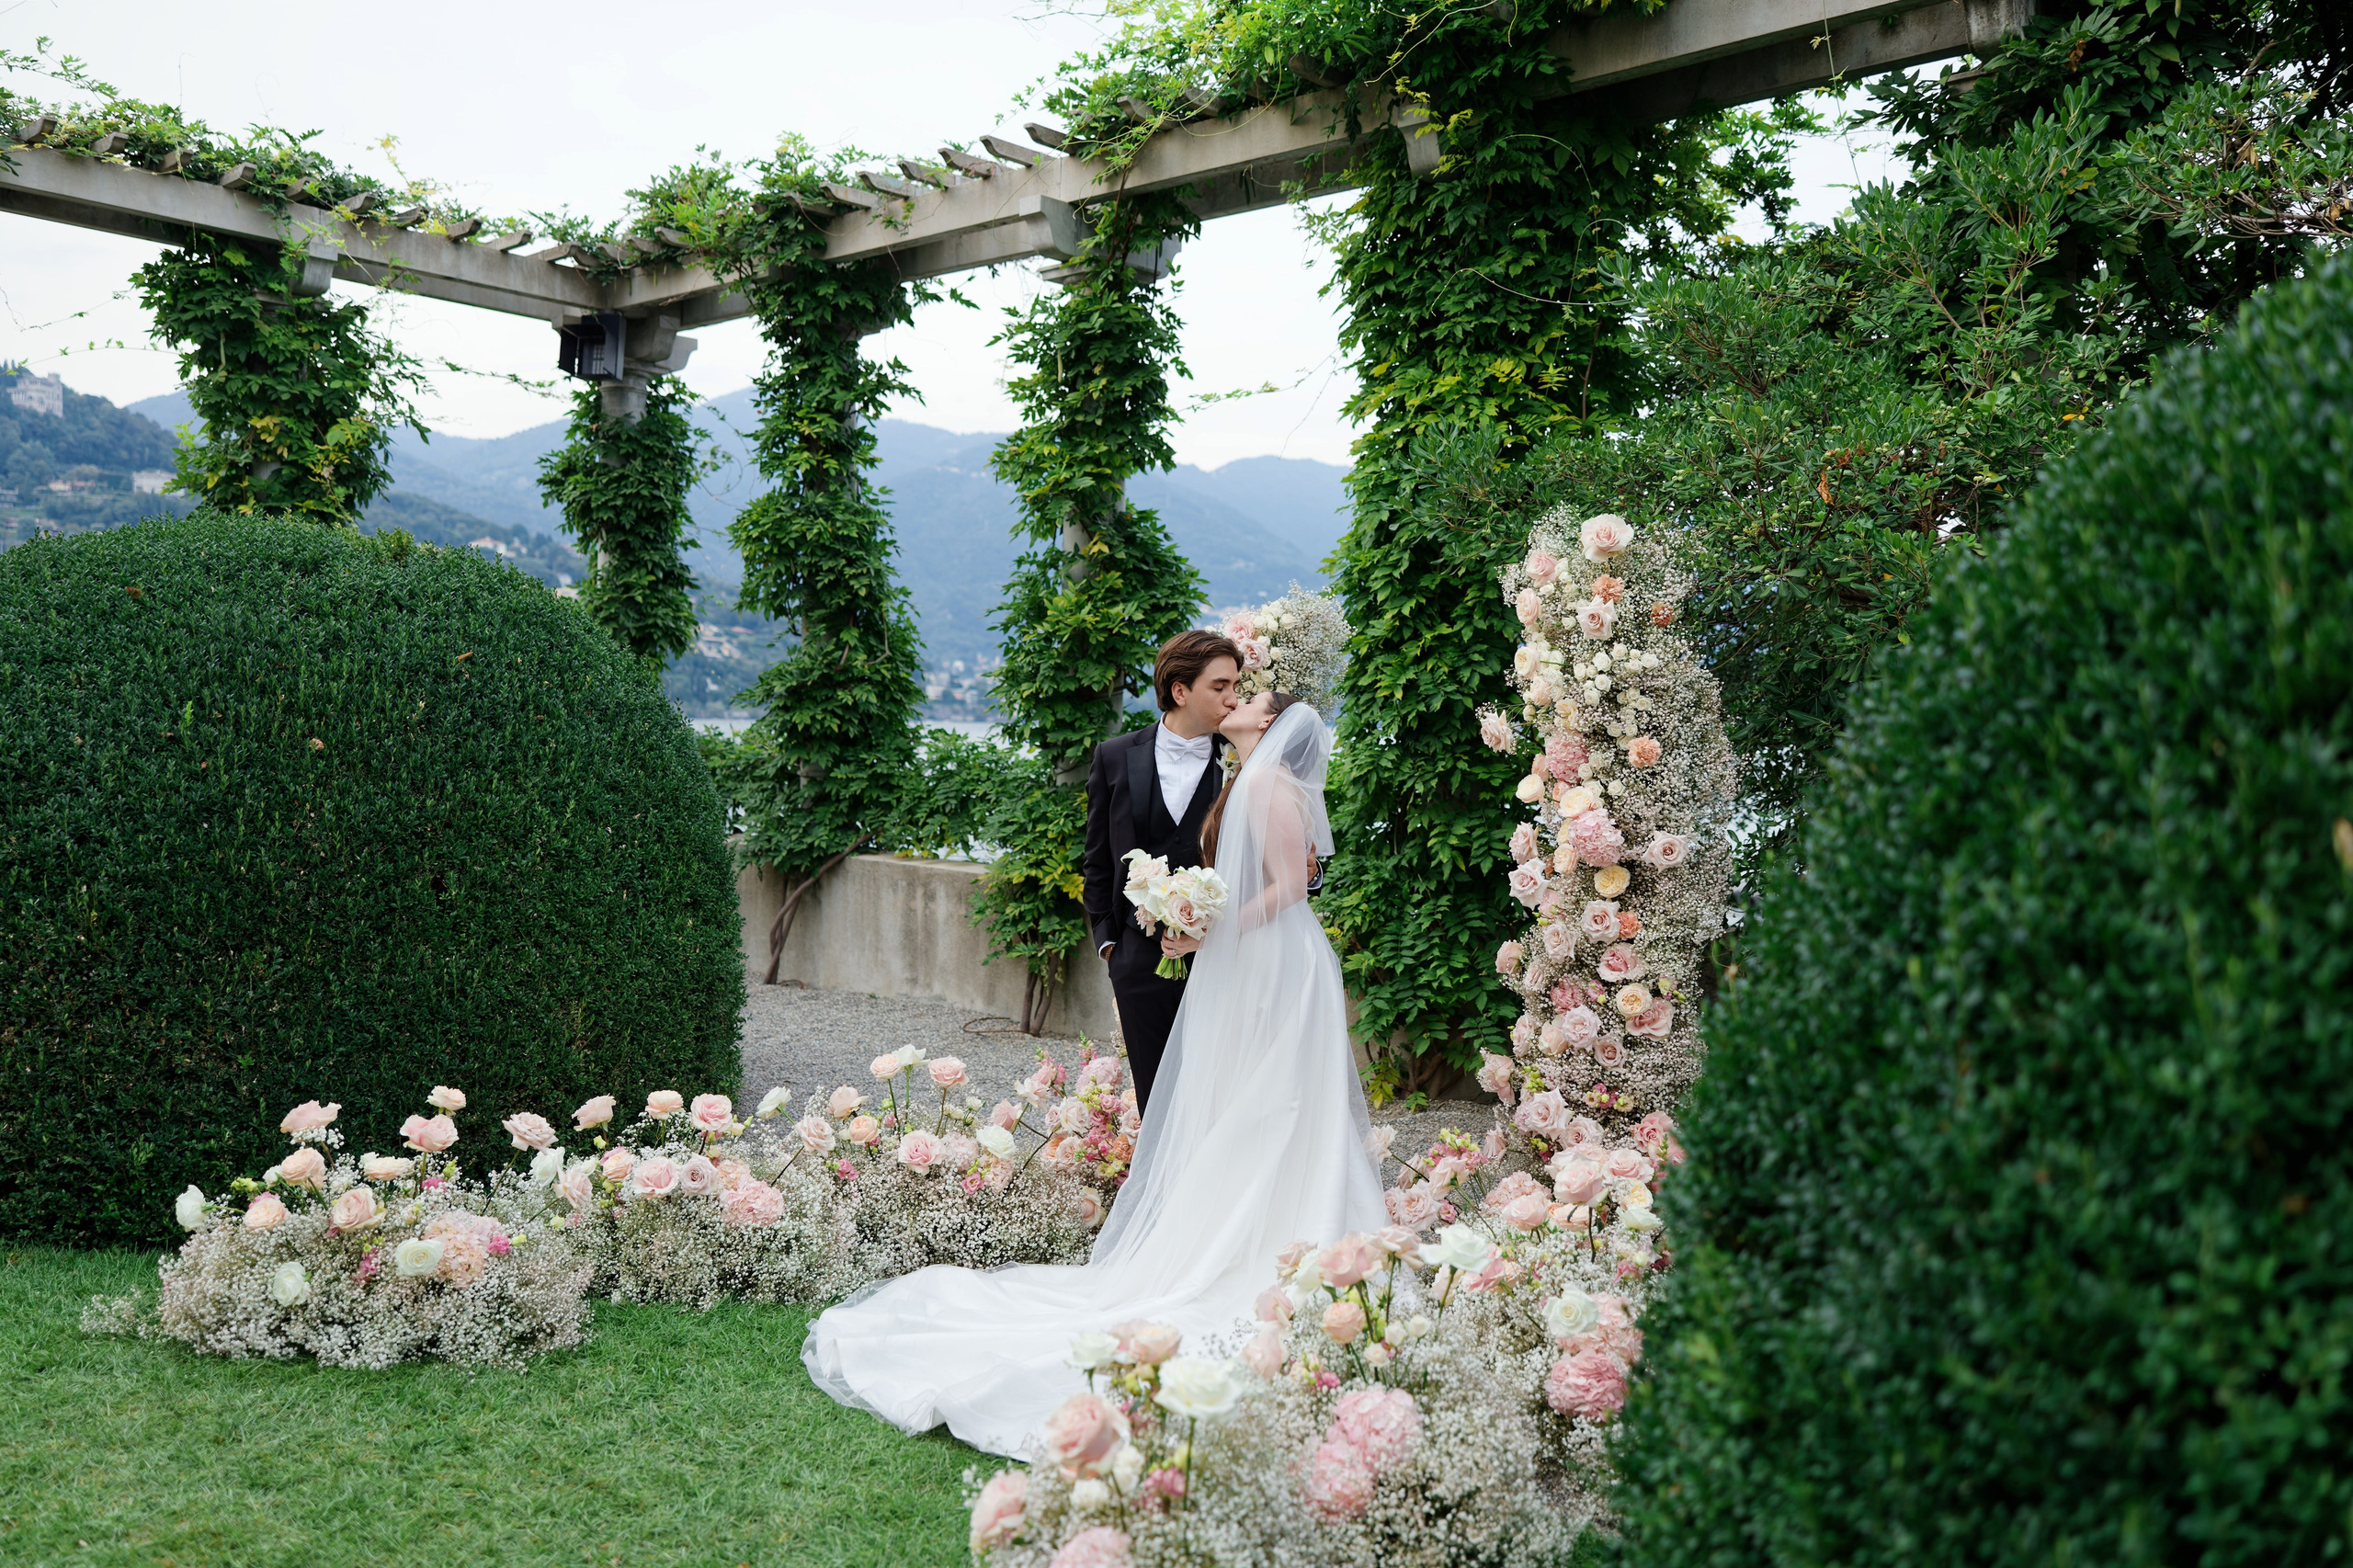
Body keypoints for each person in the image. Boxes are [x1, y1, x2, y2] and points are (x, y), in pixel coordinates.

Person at [802, 694, 1386, 1458]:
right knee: (1248, 1099)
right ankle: (1248, 1228)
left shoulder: (1270, 786)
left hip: (1279, 964)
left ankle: (1286, 1229)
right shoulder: (1244, 776)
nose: (1233, 701)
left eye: (1247, 700)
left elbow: (1286, 887)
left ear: (1272, 726)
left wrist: (1211, 931)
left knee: (1278, 1099)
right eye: (1226, 690)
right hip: (1253, 960)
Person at [1078, 631, 1240, 1111]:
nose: (1233, 699)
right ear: (1180, 690)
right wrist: (1110, 946)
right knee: (1156, 1101)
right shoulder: (1114, 756)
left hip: (1223, 957)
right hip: (1136, 959)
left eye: (1236, 685)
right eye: (1220, 686)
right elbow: (1097, 857)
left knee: (1219, 1098)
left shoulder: (1242, 758)